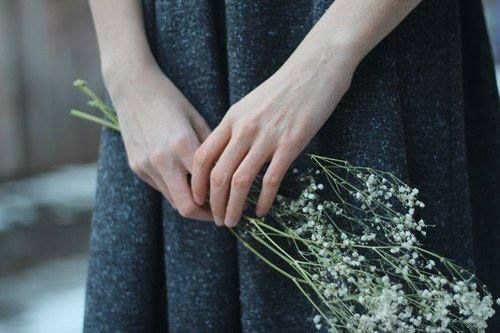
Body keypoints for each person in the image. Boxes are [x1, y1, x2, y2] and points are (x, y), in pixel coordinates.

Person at [84, 0, 499, 331]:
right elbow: (127, 72)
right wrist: (127, 73)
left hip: (371, 43)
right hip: (172, 72)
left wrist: (327, 58)